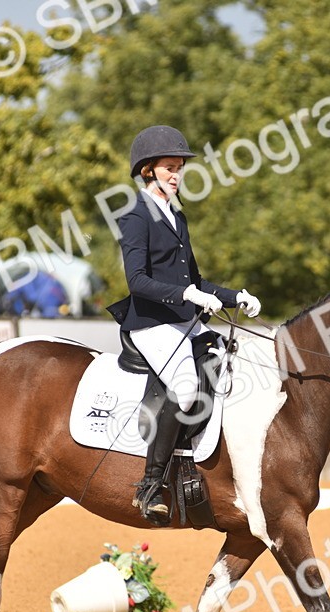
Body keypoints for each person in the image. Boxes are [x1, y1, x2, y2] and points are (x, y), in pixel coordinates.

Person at [111, 125, 262, 521]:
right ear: (148, 171)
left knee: (228, 362)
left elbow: (194, 280)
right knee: (185, 385)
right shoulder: (134, 216)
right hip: (151, 323)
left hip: (183, 320)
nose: (176, 175)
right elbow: (137, 281)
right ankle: (150, 485)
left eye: (179, 167)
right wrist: (187, 296)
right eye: (169, 168)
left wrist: (235, 296)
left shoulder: (177, 216)